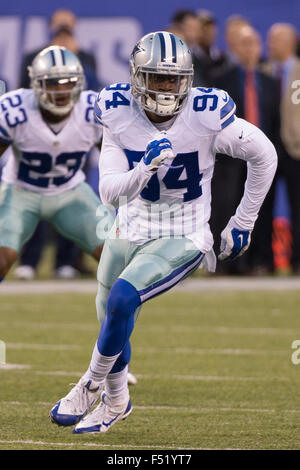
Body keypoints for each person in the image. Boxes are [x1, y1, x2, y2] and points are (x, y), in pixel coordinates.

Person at [49, 31, 277, 434]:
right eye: (157, 78)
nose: (166, 88)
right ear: (138, 78)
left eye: (173, 79)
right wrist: (145, 169)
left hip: (184, 231)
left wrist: (243, 221)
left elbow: (264, 155)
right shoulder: (118, 111)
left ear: (187, 79)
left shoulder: (206, 113)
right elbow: (109, 190)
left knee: (122, 296)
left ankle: (90, 384)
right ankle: (117, 401)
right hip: (131, 223)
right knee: (110, 312)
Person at [0, 45, 108, 281]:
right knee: (1, 258)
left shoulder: (93, 111)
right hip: (20, 191)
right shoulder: (15, 109)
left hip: (70, 192)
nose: (61, 91)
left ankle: (116, 316)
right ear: (36, 85)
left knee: (116, 255)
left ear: (79, 83)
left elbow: (116, 162)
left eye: (68, 82)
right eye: (52, 83)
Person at [211, 25, 280, 274]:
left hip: (261, 156)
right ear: (234, 47)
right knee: (226, 206)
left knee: (260, 207)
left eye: (253, 43)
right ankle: (225, 263)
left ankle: (260, 262)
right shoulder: (221, 80)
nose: (249, 49)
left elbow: (275, 120)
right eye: (244, 43)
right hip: (230, 158)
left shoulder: (271, 82)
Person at [260, 23, 300, 274]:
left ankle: (297, 261)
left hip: (295, 148)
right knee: (262, 207)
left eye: (275, 40)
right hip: (265, 149)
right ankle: (263, 261)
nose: (270, 44)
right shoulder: (262, 71)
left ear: (289, 43)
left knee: (298, 206)